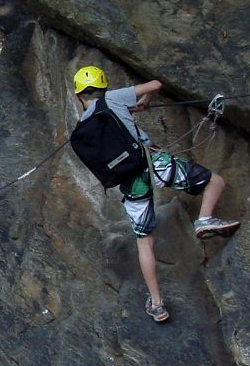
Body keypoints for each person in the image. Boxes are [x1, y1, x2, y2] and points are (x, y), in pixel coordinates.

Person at [72, 65, 240, 323]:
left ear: (78, 95)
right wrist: (144, 101)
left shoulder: (83, 126)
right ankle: (205, 219)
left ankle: (157, 303)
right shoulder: (113, 99)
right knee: (214, 182)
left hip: (129, 181)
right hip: (154, 164)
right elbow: (155, 85)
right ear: (103, 86)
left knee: (144, 242)